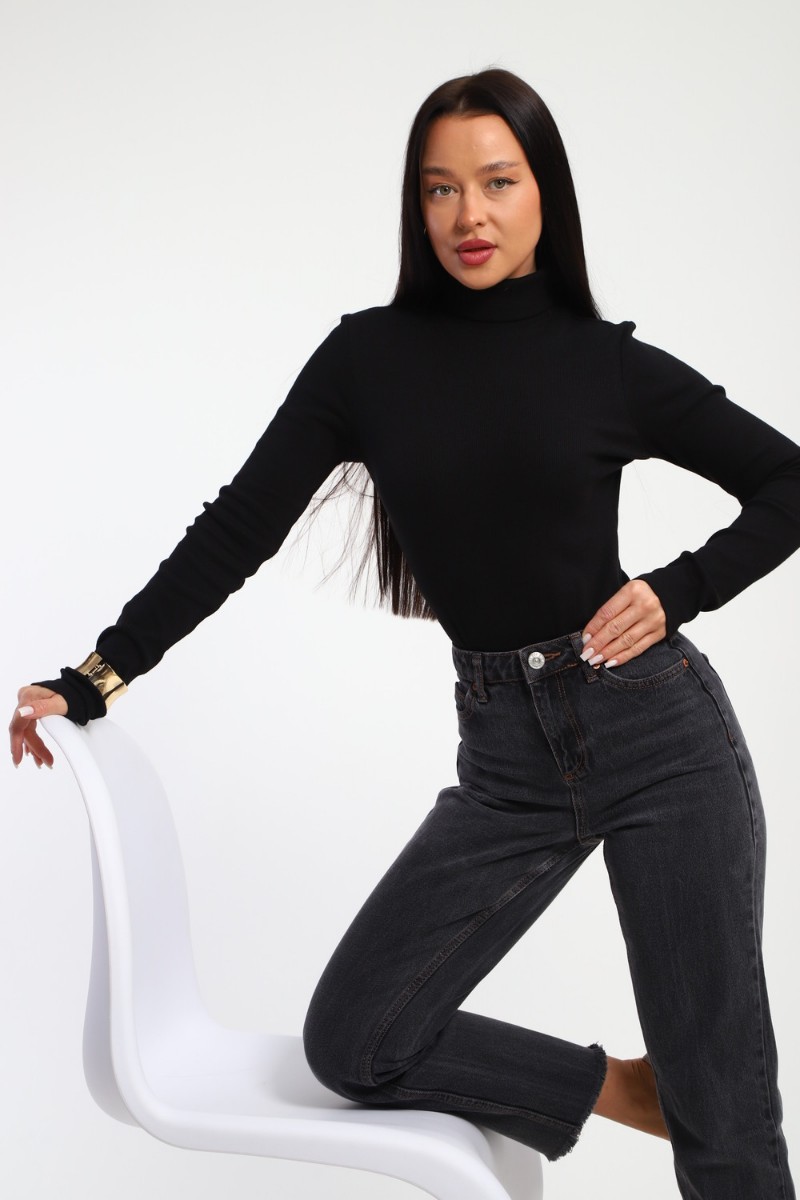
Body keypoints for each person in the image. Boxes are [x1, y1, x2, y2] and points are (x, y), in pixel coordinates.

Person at [9, 68, 797, 1198]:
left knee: (728, 1127)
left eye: (497, 182)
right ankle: (623, 1091)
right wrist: (96, 676)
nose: (468, 214)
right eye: (440, 188)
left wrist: (682, 587)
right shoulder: (366, 361)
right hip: (508, 763)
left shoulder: (606, 364)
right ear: (415, 206)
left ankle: (692, 1100)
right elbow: (238, 527)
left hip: (658, 739)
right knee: (357, 1038)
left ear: (544, 194)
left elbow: (787, 480)